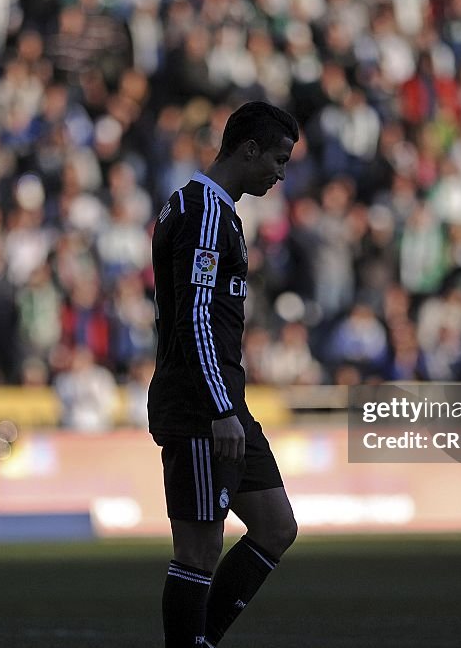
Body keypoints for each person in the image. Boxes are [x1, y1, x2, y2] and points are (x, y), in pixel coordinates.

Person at [148, 102, 299, 647]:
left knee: (277, 525)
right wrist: (219, 408)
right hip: (199, 406)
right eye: (278, 160)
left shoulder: (211, 211)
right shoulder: (204, 213)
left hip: (224, 402)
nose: (280, 174)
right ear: (248, 149)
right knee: (198, 551)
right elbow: (194, 316)